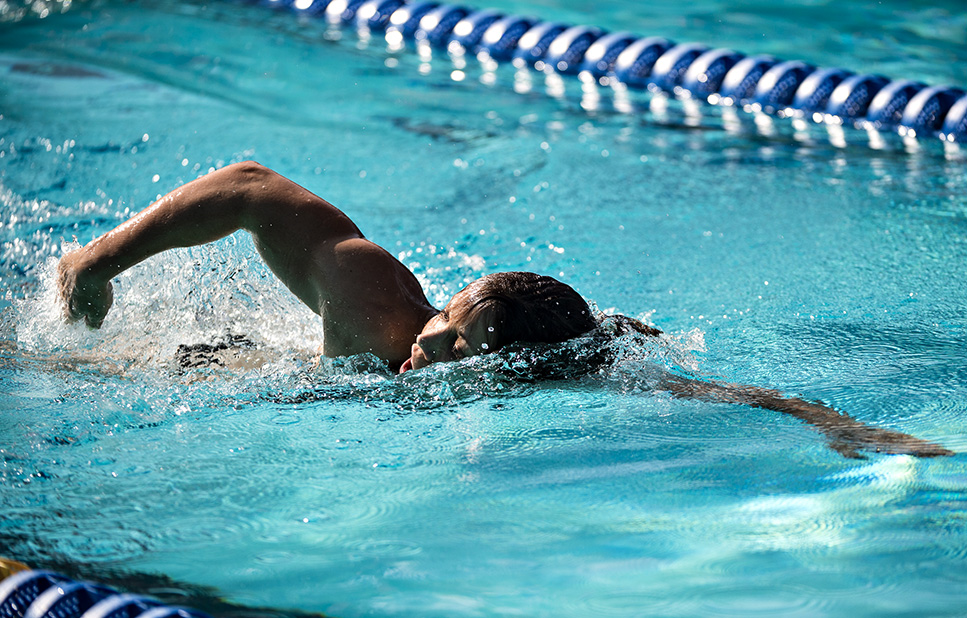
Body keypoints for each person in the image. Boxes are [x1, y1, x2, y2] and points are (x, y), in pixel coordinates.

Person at [58, 161, 953, 458]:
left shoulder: (552, 363)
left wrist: (839, 425)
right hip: (203, 370)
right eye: (449, 324)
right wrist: (102, 262)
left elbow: (709, 392)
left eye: (464, 349)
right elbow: (250, 187)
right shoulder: (376, 305)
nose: (436, 348)